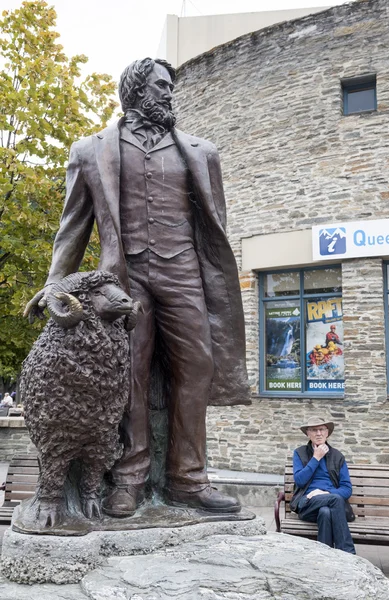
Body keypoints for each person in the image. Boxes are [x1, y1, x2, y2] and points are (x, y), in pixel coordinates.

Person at [24, 57, 250, 518]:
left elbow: (215, 226)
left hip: (185, 272)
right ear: (137, 91)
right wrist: (53, 285)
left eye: (170, 87)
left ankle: (189, 479)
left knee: (198, 368)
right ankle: (130, 479)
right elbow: (73, 228)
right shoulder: (91, 150)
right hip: (126, 279)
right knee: (131, 376)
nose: (170, 94)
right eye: (162, 86)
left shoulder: (201, 151)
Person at [290, 416, 356, 554]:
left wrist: (325, 493)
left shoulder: (337, 456)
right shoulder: (300, 453)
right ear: (308, 433)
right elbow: (300, 481)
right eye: (314, 430)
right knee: (335, 499)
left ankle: (324, 556)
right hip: (307, 503)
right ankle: (348, 553)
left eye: (321, 429)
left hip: (329, 504)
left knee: (325, 512)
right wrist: (316, 458)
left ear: (327, 433)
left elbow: (347, 489)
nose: (318, 433)